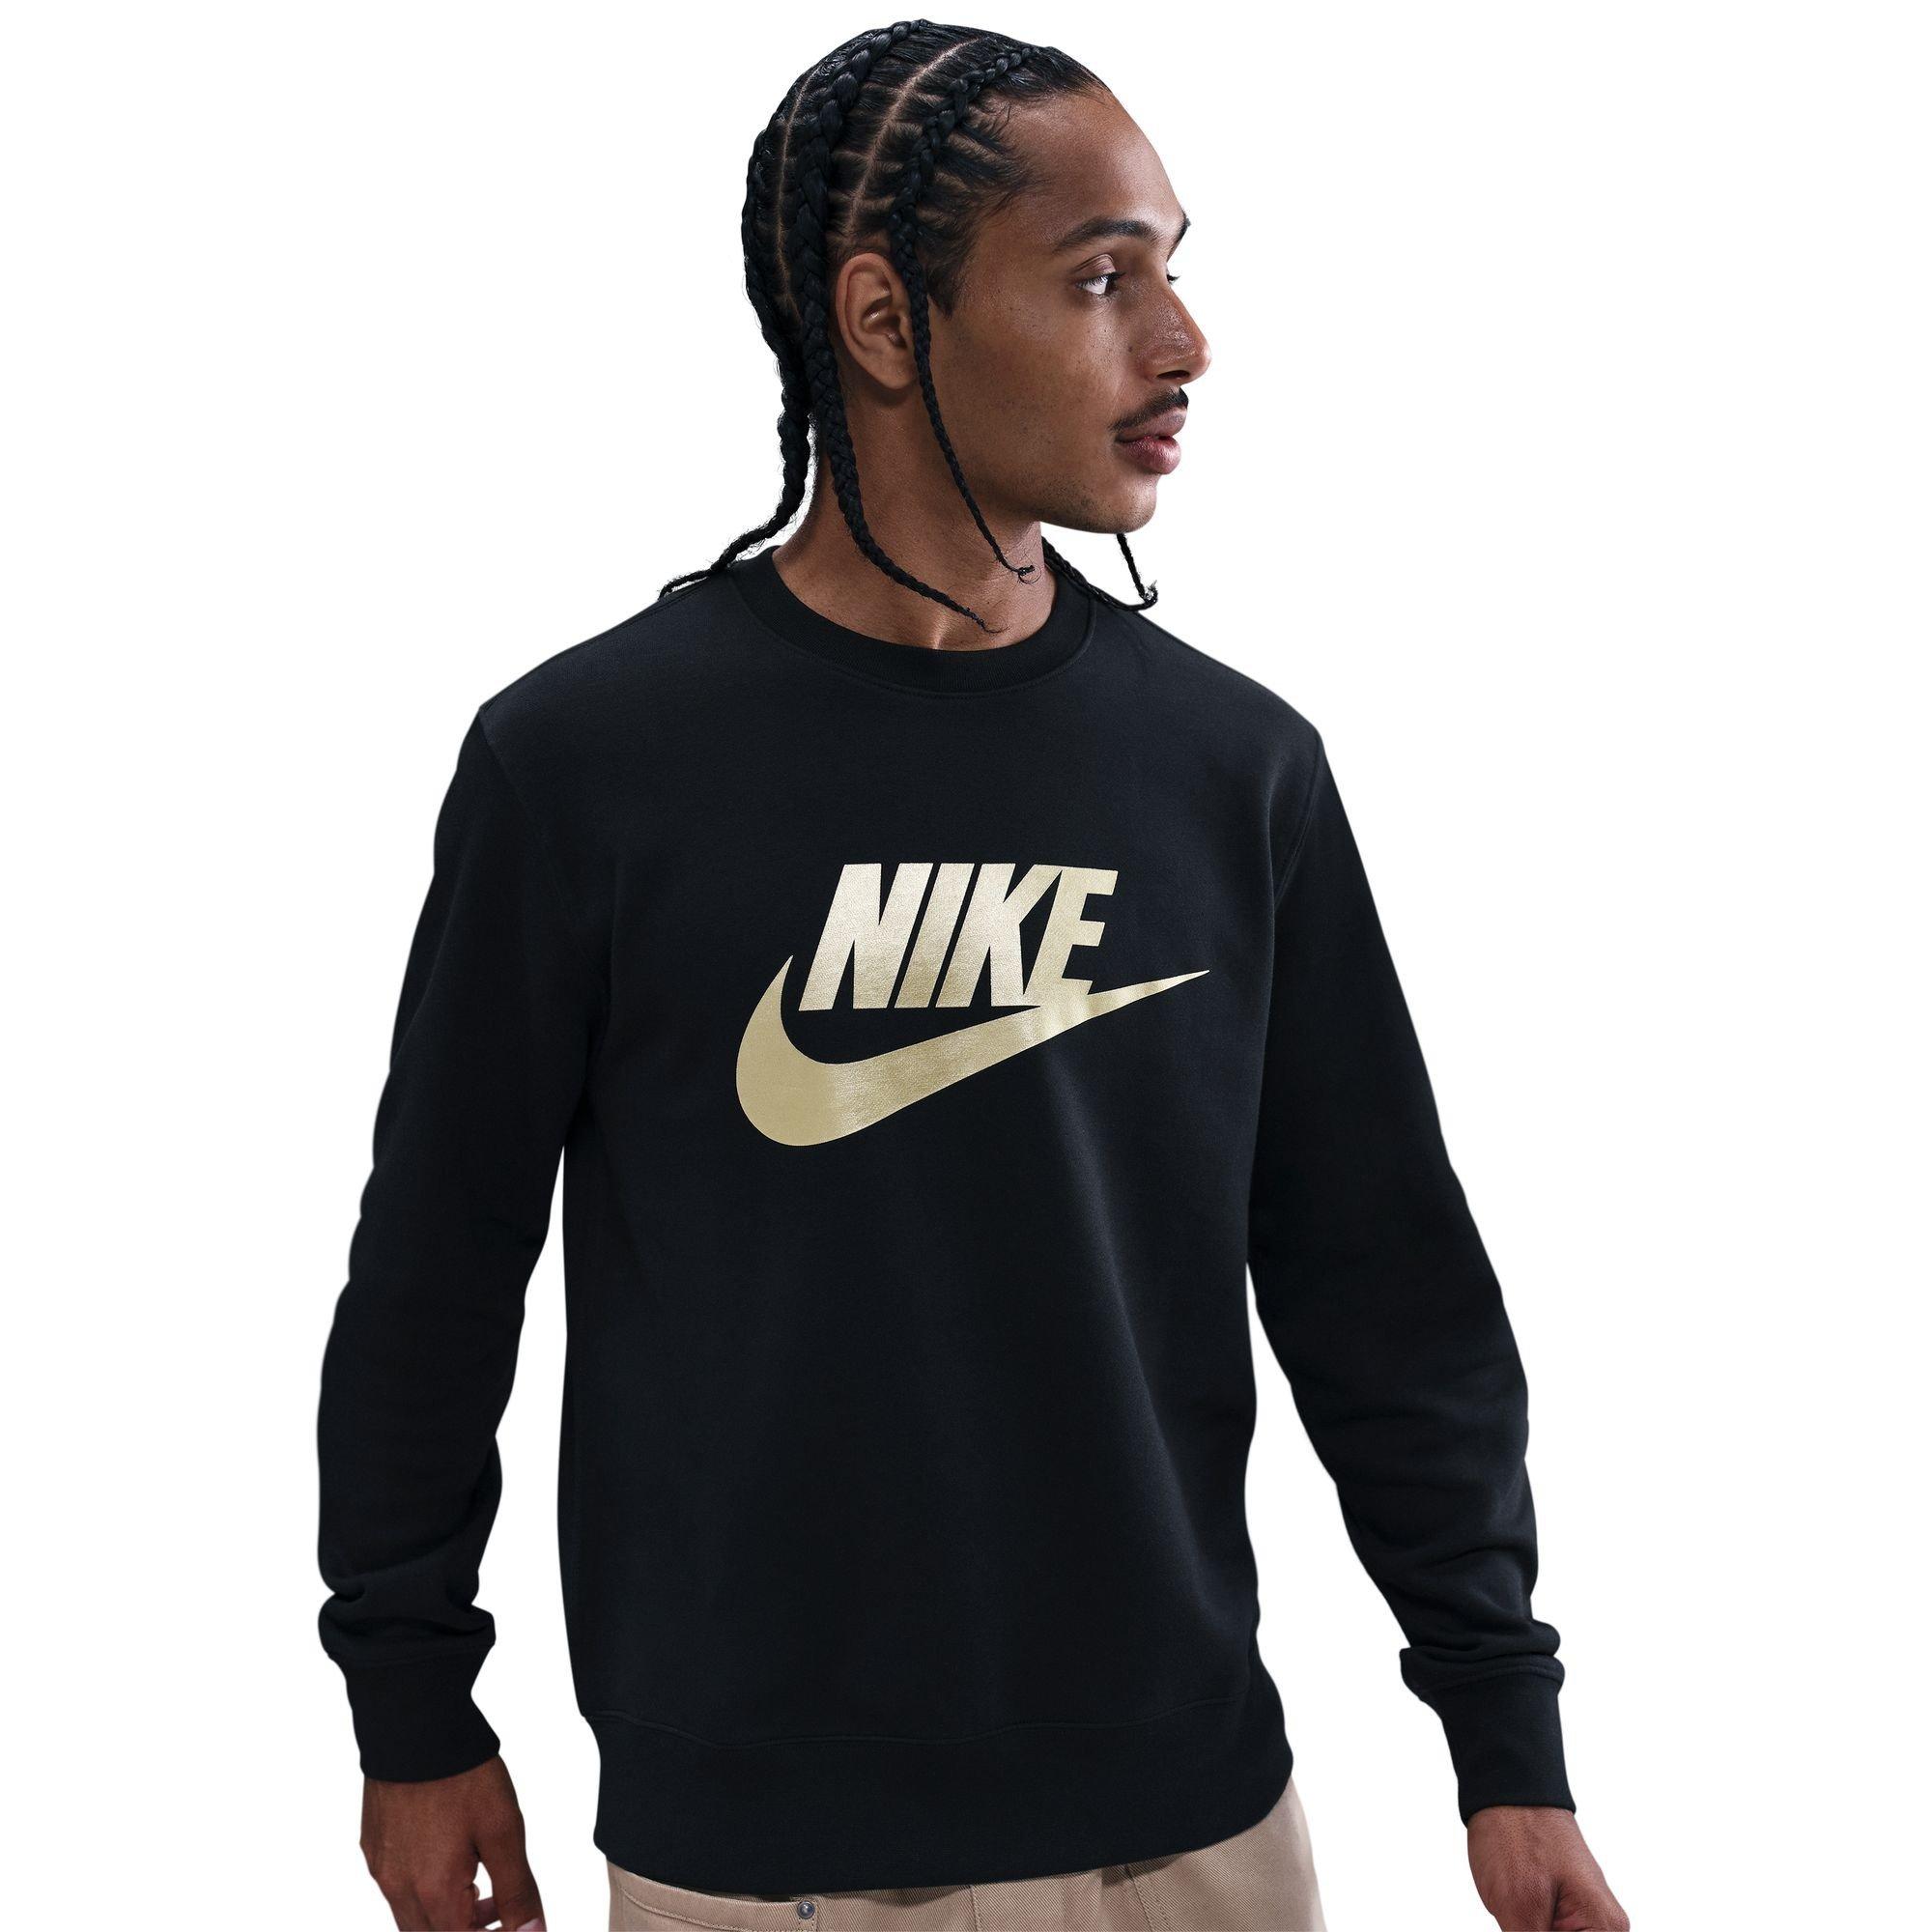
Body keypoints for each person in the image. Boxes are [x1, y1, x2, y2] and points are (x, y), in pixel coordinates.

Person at [318, 22, 1629, 1932]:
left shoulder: (1232, 768)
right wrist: (414, 1708)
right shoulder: (590, 762)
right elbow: (437, 1274)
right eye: (1100, 278)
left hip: (1190, 1834)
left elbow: (1385, 1286)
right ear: (882, 316)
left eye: (1173, 272)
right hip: (766, 1857)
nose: (1181, 343)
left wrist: (1507, 1741)